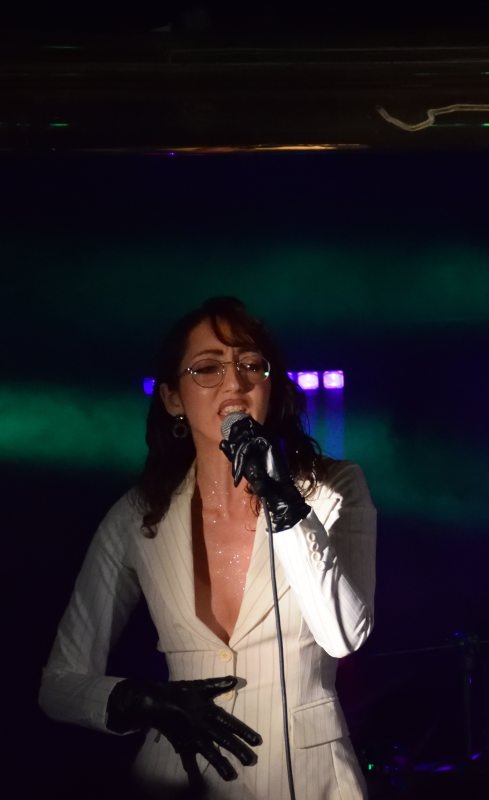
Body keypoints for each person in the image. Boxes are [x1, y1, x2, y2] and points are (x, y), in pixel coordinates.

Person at [39, 297, 377, 798]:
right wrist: (140, 700)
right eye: (207, 368)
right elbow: (58, 685)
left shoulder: (333, 489)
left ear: (272, 387)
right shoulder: (138, 516)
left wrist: (282, 500)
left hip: (309, 781)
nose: (234, 381)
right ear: (173, 398)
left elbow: (343, 636)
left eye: (250, 364)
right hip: (178, 776)